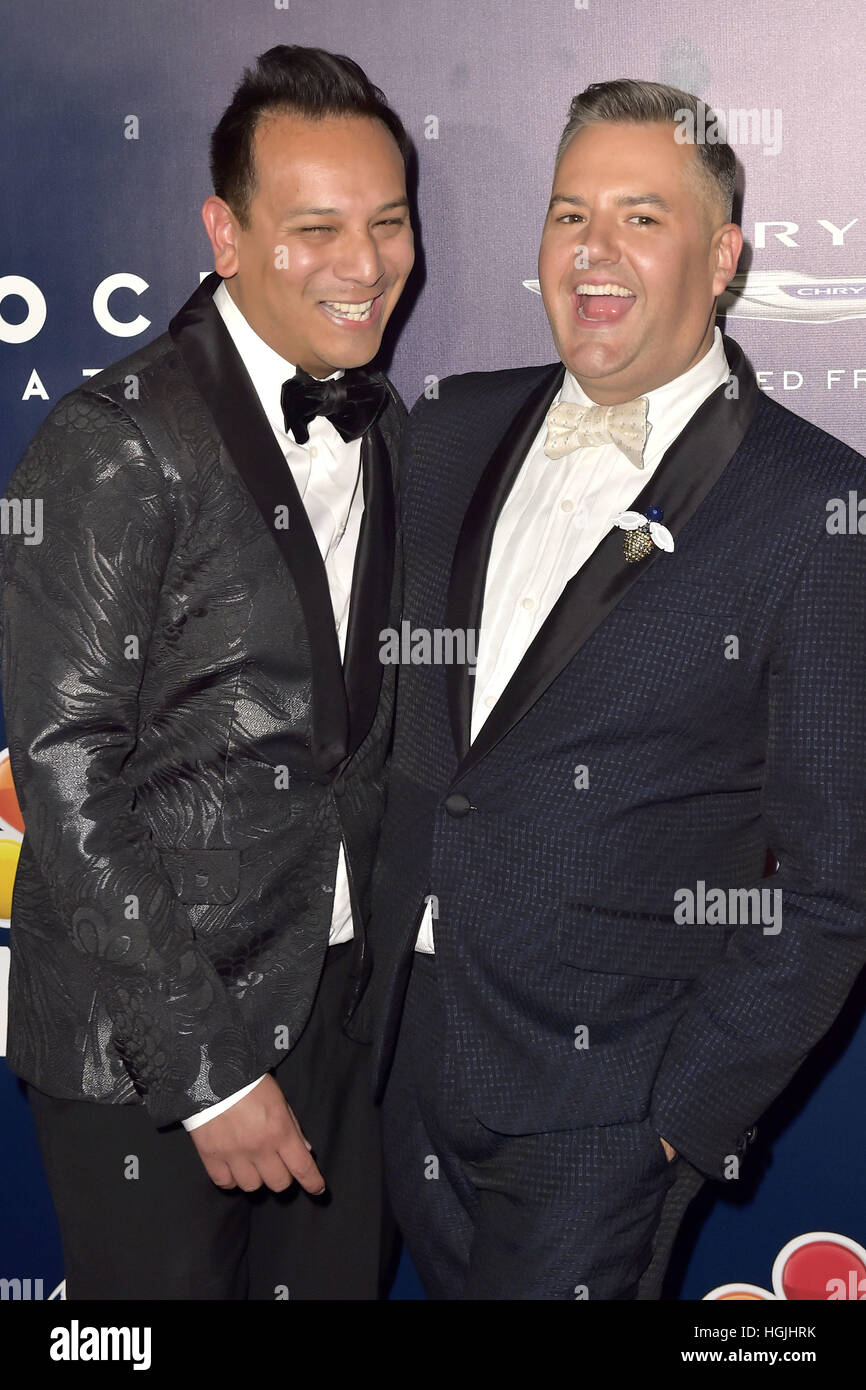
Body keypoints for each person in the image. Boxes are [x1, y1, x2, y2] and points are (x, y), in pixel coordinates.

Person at [369, 78, 866, 1300]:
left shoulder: (815, 508)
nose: (592, 250)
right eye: (568, 214)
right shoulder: (445, 426)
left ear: (723, 257)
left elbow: (832, 882)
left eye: (641, 218)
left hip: (605, 1113)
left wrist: (674, 1118)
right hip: (399, 1058)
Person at [0, 44, 414, 1300]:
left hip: (338, 1011)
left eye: (387, 222)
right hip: (150, 1043)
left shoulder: (387, 425)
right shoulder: (116, 437)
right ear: (225, 236)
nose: (363, 265)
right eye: (315, 228)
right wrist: (209, 1073)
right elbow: (65, 775)